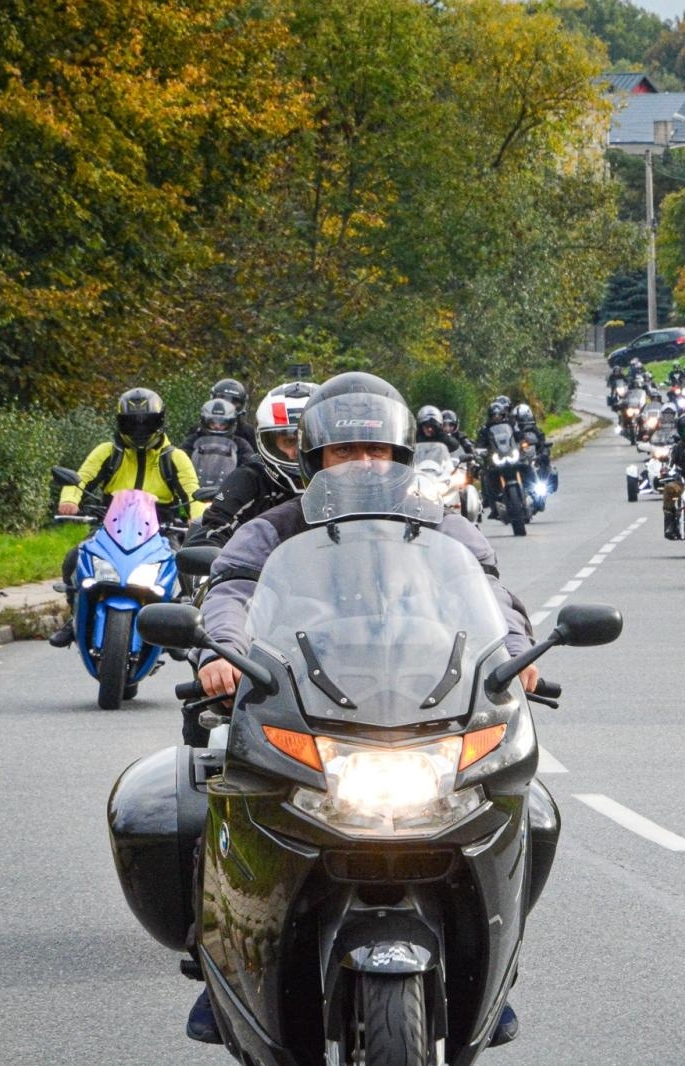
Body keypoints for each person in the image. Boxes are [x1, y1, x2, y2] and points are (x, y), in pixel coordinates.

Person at [190, 372, 538, 1048]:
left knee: (532, 809)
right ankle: (218, 964)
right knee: (201, 800)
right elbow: (230, 592)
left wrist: (518, 656)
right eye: (345, 452)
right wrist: (222, 653)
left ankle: (494, 968)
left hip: (422, 708)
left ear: (400, 458)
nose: (362, 463)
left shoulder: (447, 530)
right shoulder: (274, 529)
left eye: (375, 451)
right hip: (301, 705)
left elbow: (493, 599)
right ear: (314, 459)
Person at [50, 388, 200, 647]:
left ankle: (183, 625)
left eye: (147, 423)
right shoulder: (107, 452)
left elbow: (194, 492)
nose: (139, 430)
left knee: (186, 566)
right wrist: (69, 501)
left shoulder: (174, 457)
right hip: (111, 525)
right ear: (120, 423)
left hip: (160, 529)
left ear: (160, 422)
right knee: (74, 558)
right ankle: (74, 616)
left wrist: (197, 519)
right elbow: (81, 478)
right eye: (132, 423)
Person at [183, 381, 315, 549]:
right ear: (268, 443)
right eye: (289, 441)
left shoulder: (346, 479)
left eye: (308, 440)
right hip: (261, 572)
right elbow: (213, 529)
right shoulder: (250, 479)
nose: (298, 451)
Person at [207, 378, 256, 455]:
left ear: (242, 405)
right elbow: (185, 454)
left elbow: (255, 461)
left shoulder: (247, 432)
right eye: (222, 399)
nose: (227, 406)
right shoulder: (200, 428)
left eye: (235, 402)